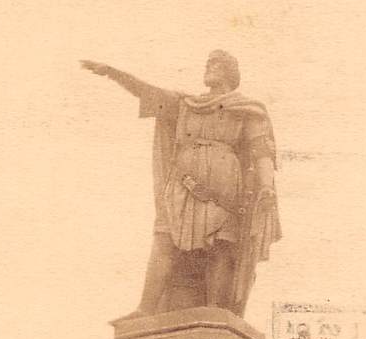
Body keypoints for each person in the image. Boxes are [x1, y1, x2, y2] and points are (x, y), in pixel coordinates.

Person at [81, 51, 281, 315]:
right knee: (165, 236)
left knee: (221, 243)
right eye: (207, 62)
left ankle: (214, 311)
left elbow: (261, 151)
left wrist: (266, 186)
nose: (209, 67)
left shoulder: (247, 109)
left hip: (223, 188)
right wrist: (113, 73)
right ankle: (145, 308)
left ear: (231, 74)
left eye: (216, 63)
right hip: (183, 185)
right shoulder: (186, 104)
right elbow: (147, 92)